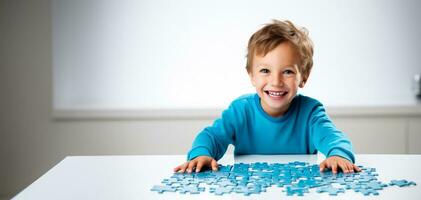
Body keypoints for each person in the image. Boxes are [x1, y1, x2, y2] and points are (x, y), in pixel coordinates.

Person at [174, 19, 361, 174]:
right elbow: (211, 137)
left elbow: (334, 138)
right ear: (251, 76)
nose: (276, 81)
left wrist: (338, 155)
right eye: (265, 70)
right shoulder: (241, 110)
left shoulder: (310, 112)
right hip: (249, 189)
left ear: (303, 77)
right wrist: (201, 154)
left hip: (300, 191)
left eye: (287, 72)